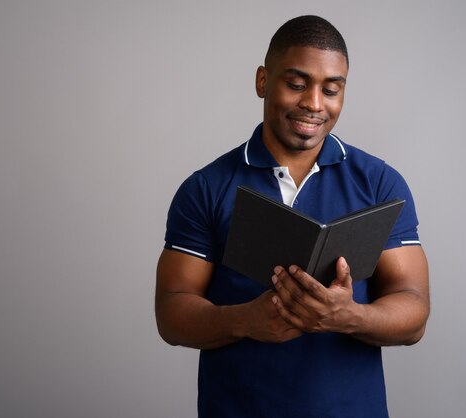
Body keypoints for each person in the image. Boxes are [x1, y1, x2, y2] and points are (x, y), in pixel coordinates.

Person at [155, 15, 430, 418]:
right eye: (297, 84)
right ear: (263, 81)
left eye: (331, 89)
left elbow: (414, 313)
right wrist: (245, 320)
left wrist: (345, 315)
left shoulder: (379, 184)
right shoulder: (206, 188)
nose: (314, 104)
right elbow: (171, 313)